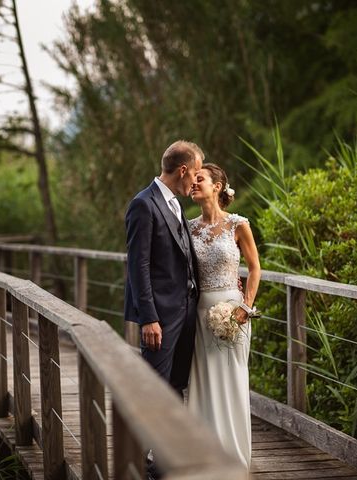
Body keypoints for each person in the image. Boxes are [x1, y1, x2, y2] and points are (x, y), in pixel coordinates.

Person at [187, 163, 261, 470]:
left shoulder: (238, 224)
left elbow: (255, 268)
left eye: (199, 179)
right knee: (202, 385)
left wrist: (245, 307)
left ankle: (234, 460)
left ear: (217, 186)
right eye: (192, 180)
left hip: (233, 314)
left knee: (231, 381)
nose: (193, 183)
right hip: (198, 314)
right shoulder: (187, 227)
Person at [124, 140, 203, 397]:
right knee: (154, 389)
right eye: (195, 173)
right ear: (183, 170)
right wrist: (148, 318)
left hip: (187, 312)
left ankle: (175, 438)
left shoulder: (176, 204)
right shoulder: (143, 204)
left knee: (176, 386)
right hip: (160, 317)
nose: (195, 181)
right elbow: (138, 266)